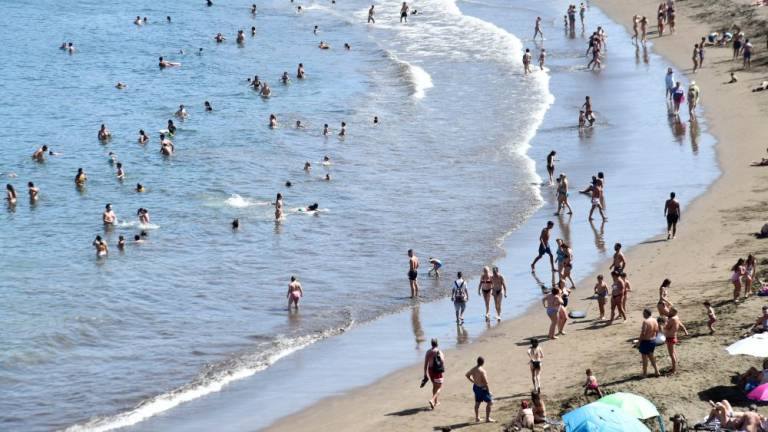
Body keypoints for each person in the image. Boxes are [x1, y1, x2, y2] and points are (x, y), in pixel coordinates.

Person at [465, 356, 494, 423]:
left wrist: (473, 381)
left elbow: (467, 375)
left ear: (477, 362)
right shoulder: (482, 371)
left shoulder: (473, 369)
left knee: (477, 403)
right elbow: (486, 382)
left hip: (476, 387)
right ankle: (487, 418)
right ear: (483, 363)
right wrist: (488, 391)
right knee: (490, 402)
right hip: (482, 388)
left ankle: (477, 418)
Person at [664, 307, 688, 373]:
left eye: (670, 311)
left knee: (671, 354)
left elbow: (666, 327)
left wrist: (664, 322)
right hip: (674, 336)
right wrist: (685, 331)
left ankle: (674, 369)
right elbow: (680, 325)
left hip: (670, 338)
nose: (669, 311)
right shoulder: (676, 317)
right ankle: (675, 366)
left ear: (673, 312)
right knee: (673, 352)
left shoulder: (671, 319)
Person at [638, 308, 660, 377]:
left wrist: (639, 342)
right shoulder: (654, 320)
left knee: (644, 359)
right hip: (653, 341)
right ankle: (657, 371)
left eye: (643, 313)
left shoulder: (646, 322)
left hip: (645, 341)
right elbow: (657, 331)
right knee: (651, 357)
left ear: (647, 314)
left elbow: (643, 333)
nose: (643, 314)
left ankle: (645, 374)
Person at [423, 338, 444, 410]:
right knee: (440, 386)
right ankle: (432, 400)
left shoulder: (428, 352)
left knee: (434, 385)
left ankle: (436, 401)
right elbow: (442, 361)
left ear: (431, 343)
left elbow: (426, 364)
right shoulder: (439, 351)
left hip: (430, 370)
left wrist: (425, 374)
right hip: (437, 370)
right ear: (437, 343)